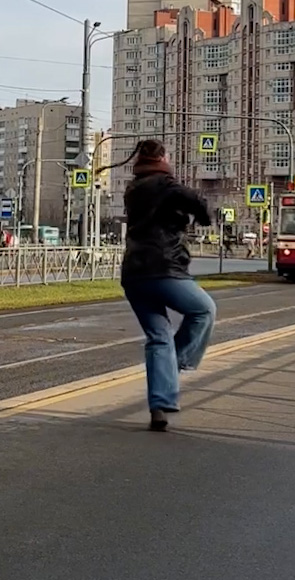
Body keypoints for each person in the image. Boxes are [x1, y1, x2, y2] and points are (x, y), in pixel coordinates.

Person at [120, 140, 216, 431]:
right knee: (204, 310)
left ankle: (159, 407)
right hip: (164, 269)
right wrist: (204, 217)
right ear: (162, 157)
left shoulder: (133, 188)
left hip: (134, 275)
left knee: (159, 337)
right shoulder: (164, 184)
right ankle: (174, 366)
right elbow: (195, 200)